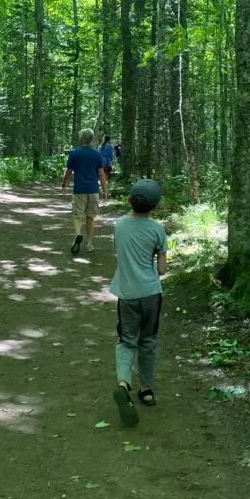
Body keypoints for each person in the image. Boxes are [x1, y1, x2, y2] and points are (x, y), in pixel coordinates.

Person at [109, 178, 167, 428]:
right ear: (155, 206)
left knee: (126, 340)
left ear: (129, 200)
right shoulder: (157, 230)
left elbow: (119, 251)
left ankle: (124, 383)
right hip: (151, 293)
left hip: (127, 294)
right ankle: (147, 389)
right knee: (148, 340)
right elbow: (162, 269)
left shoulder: (119, 225)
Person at [61, 128, 107, 254]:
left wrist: (64, 184)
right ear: (92, 139)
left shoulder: (74, 153)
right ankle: (89, 243)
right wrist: (104, 190)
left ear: (81, 138)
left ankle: (78, 234)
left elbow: (68, 171)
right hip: (93, 190)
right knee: (90, 217)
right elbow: (101, 174)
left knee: (77, 215)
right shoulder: (97, 154)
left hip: (79, 190)